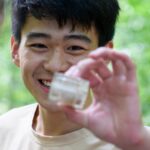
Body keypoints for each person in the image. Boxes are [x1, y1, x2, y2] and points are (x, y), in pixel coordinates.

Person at [0, 0, 150, 150]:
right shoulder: (5, 130)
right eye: (39, 45)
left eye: (74, 47)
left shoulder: (134, 142)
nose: (55, 66)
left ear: (104, 56)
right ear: (15, 50)